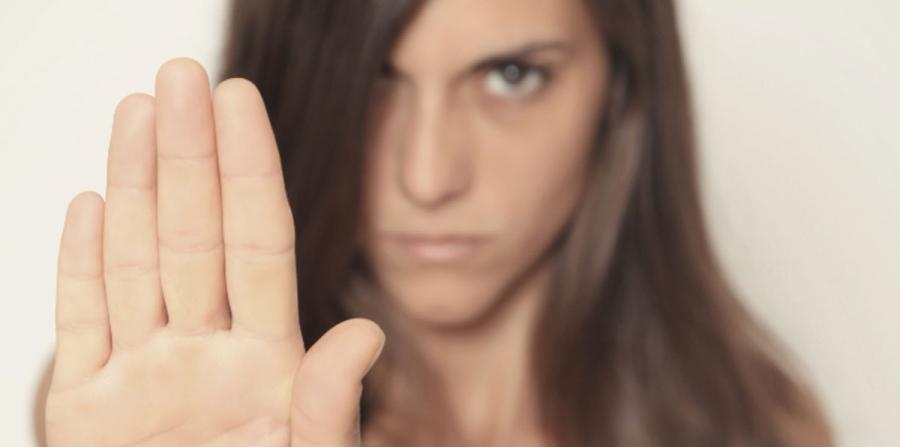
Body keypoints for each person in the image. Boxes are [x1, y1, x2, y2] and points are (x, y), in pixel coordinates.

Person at [39, 0, 835, 445]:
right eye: (372, 82)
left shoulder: (757, 426)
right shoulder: (158, 400)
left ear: (621, 87)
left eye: (511, 75)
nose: (426, 177)